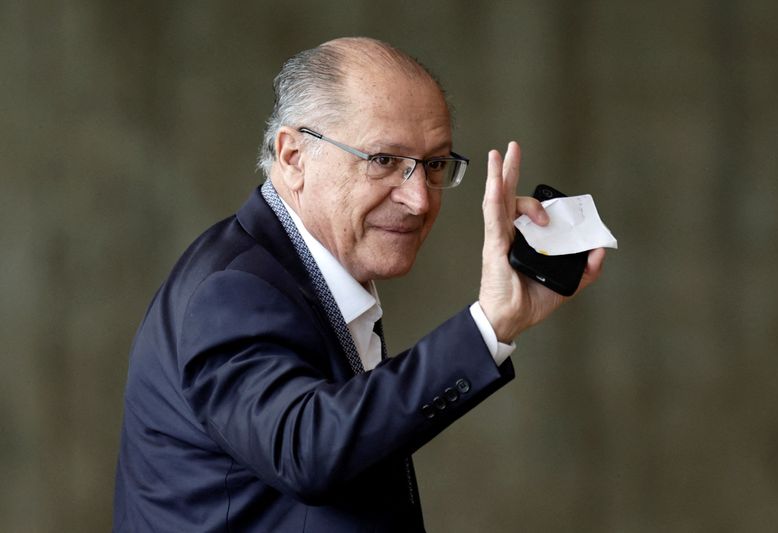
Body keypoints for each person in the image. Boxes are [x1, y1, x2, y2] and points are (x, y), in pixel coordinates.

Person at [113, 37, 605, 532]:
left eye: (434, 164)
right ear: (293, 156)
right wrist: (489, 325)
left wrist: (509, 315)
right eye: (384, 160)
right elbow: (305, 450)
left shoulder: (302, 268)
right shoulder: (232, 291)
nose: (418, 198)